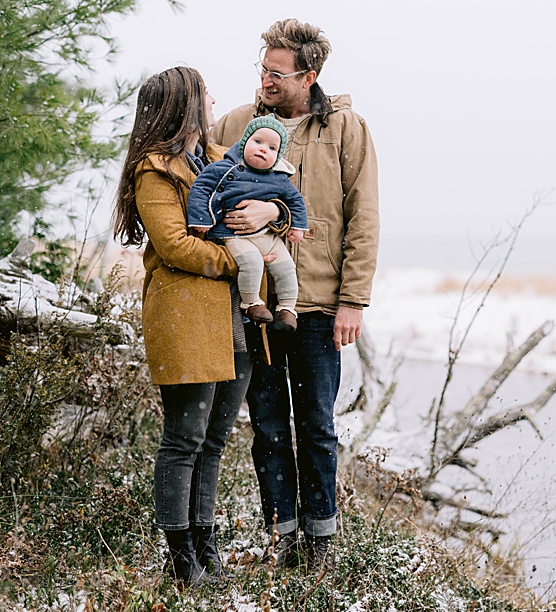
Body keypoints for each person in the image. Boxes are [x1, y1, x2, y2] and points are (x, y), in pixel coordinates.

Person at [209, 18, 379, 570]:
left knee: (318, 428)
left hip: (318, 307)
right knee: (267, 426)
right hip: (256, 304)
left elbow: (363, 218)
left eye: (276, 72)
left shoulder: (346, 129)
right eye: (262, 68)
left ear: (308, 75)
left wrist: (353, 300)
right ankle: (280, 537)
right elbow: (194, 161)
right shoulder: (240, 123)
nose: (265, 79)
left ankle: (321, 544)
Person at [111, 66, 286, 587]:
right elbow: (174, 246)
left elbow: (263, 200)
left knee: (214, 439)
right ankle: (180, 556)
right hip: (185, 316)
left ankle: (206, 547)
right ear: (186, 102)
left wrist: (272, 210)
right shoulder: (155, 169)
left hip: (233, 319)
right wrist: (245, 261)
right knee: (184, 437)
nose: (213, 101)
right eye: (205, 93)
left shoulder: (217, 160)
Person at [188, 114, 309, 331]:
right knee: (252, 263)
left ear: (279, 155)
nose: (264, 149)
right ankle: (251, 303)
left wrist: (297, 226)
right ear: (244, 143)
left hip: (268, 236)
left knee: (286, 267)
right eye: (258, 142)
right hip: (234, 234)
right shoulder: (224, 168)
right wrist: (201, 218)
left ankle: (288, 308)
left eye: (272, 148)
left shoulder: (279, 178)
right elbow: (201, 188)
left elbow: (295, 201)